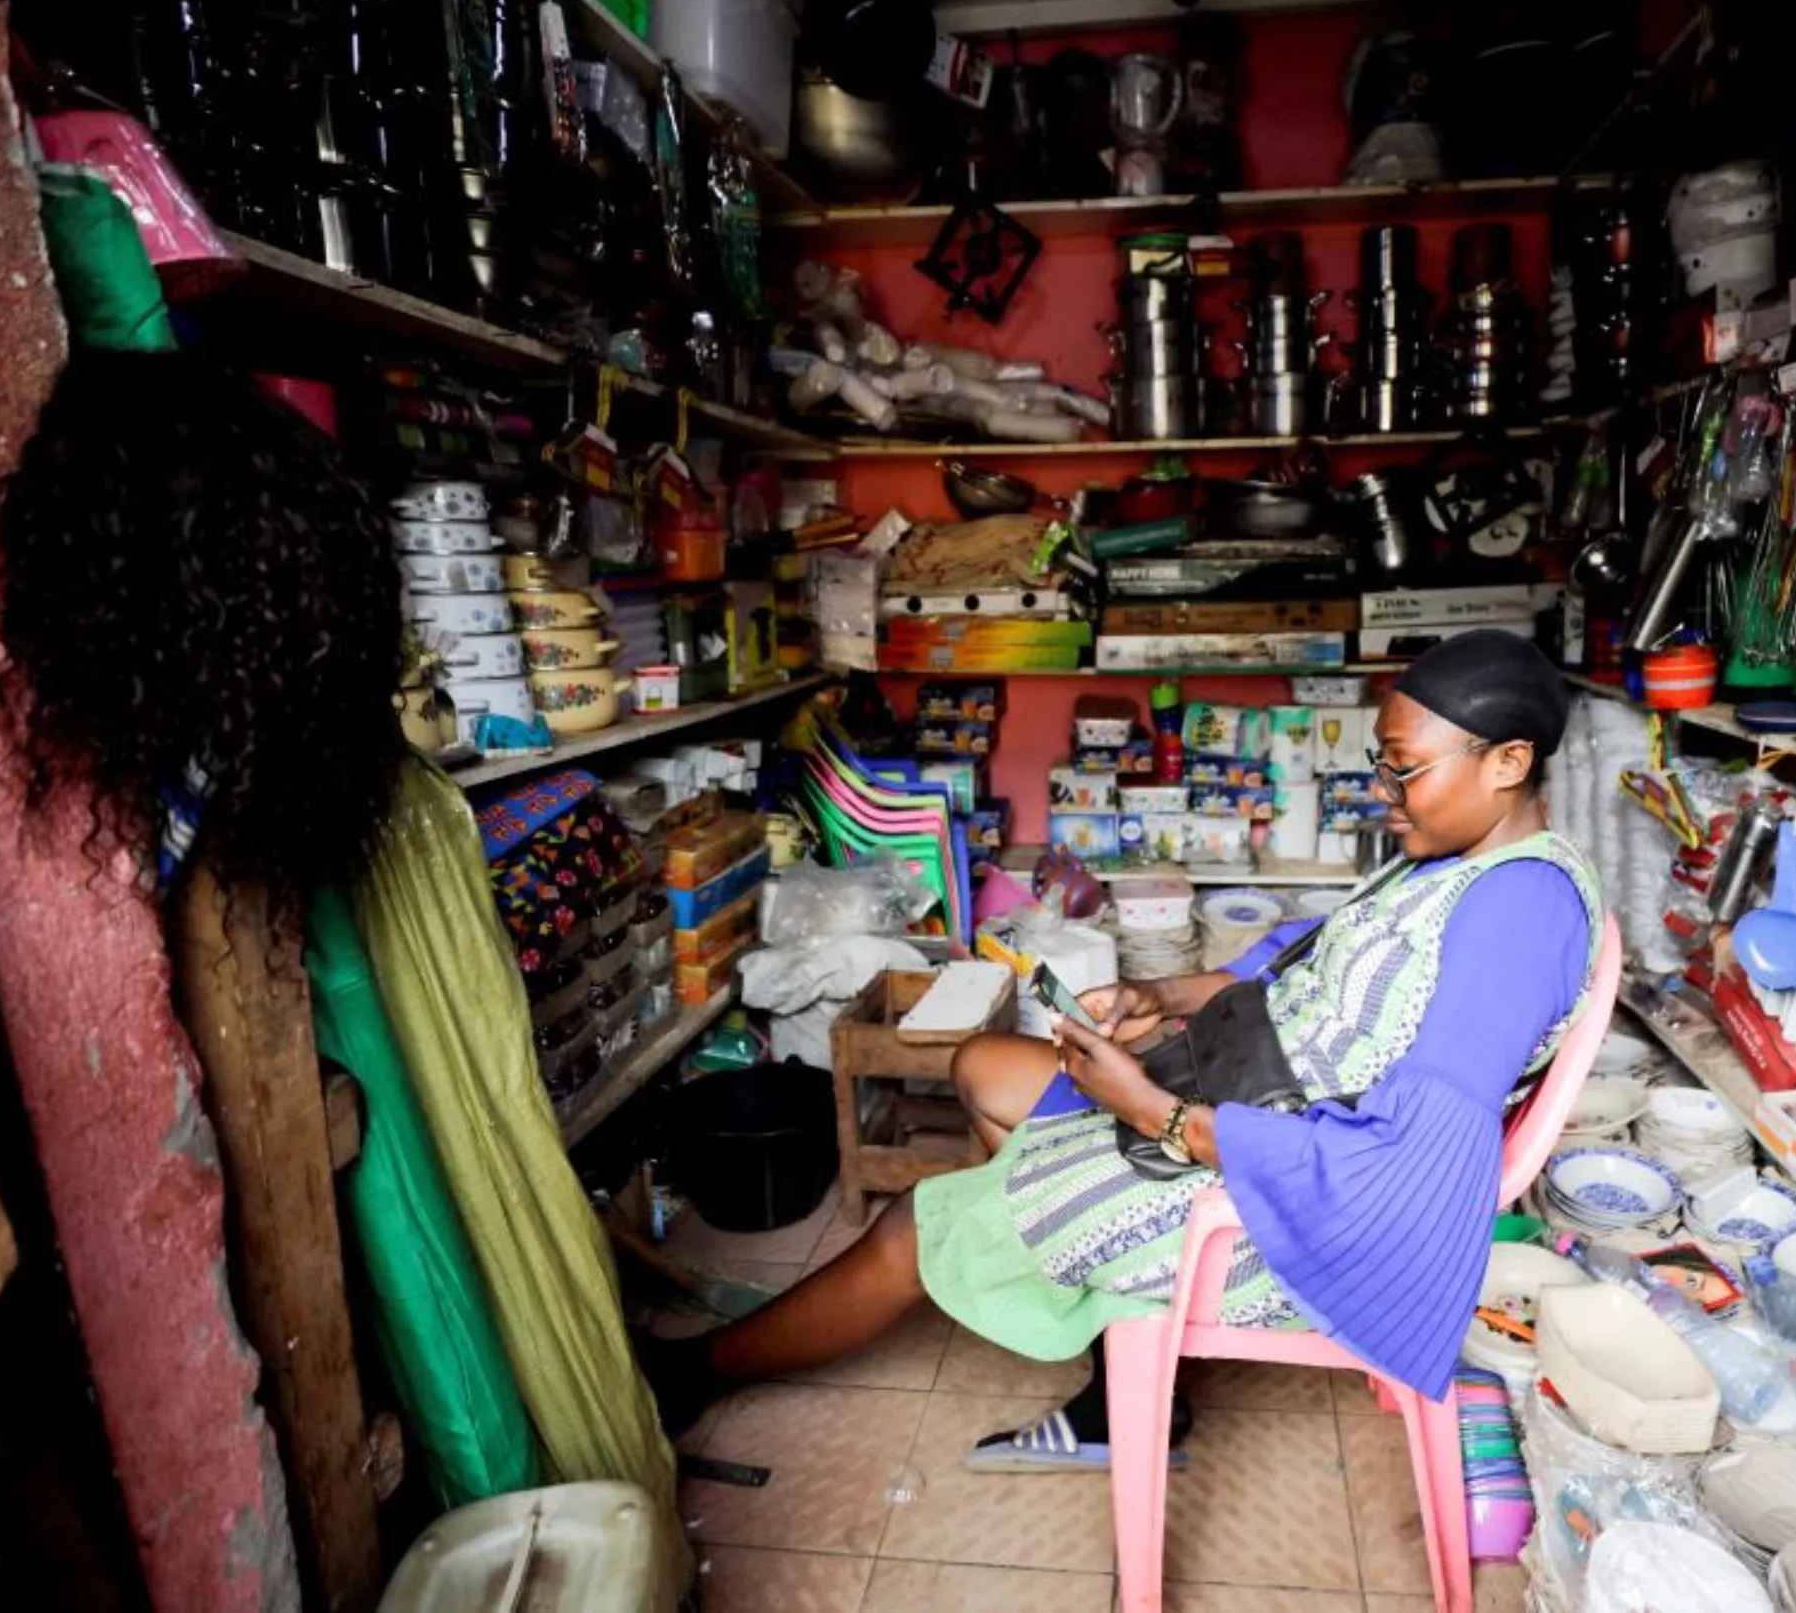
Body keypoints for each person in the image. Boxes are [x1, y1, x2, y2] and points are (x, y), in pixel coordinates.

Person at [639, 630, 1602, 1472]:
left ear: (1509, 762)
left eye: (1405, 770)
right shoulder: (1454, 863)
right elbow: (1296, 976)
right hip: (1253, 1111)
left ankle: (691, 1376)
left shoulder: (1518, 913)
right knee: (988, 1071)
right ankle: (1104, 1340)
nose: (1382, 793)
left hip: (1295, 1207)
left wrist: (1155, 1112)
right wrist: (1161, 995)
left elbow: (1413, 1167)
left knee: (912, 1227)